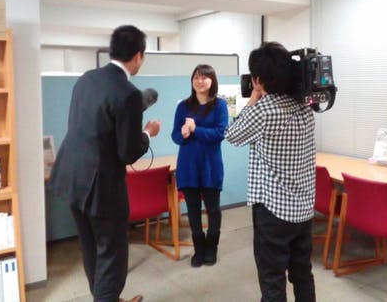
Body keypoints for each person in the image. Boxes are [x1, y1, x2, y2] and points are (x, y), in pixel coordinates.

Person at [49, 25, 161, 302]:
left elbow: (95, 123)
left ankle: (106, 298)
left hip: (71, 180)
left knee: (90, 248)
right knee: (112, 257)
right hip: (101, 189)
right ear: (139, 56)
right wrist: (147, 133)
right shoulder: (128, 93)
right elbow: (127, 153)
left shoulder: (87, 79)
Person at [225, 42, 316, 302]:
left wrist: (254, 99)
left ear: (258, 79)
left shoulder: (264, 111)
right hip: (303, 208)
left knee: (272, 279)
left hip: (273, 211)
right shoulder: (305, 107)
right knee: (302, 273)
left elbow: (232, 134)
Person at [171, 64, 228, 267]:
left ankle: (212, 247)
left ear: (212, 81)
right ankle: (199, 249)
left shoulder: (220, 105)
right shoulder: (183, 106)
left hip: (210, 166)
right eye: (196, 77)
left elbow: (220, 133)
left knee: (213, 210)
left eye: (204, 77)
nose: (200, 81)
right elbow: (175, 136)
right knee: (193, 211)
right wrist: (183, 134)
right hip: (188, 166)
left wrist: (196, 129)